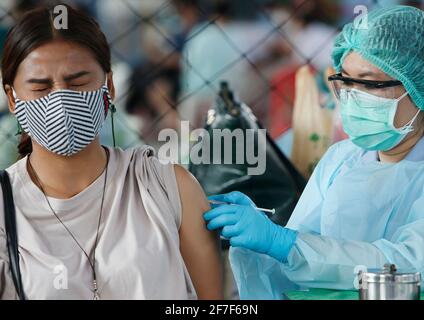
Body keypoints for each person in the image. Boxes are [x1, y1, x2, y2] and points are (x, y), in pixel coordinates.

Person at [0, 4, 223, 300]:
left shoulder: (167, 187)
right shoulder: (6, 209)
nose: (60, 101)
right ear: (13, 100)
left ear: (110, 86)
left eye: (77, 82)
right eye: (40, 88)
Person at [204, 5, 424, 295]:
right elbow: (296, 262)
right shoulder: (340, 159)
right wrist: (262, 244)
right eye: (345, 80)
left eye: (370, 84)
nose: (352, 96)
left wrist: (281, 242)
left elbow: (406, 266)